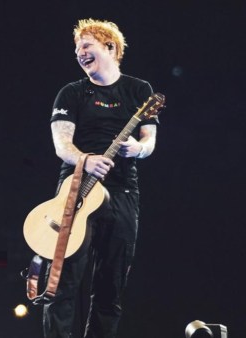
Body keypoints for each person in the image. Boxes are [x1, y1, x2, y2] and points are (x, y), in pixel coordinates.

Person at [43, 19, 159, 338]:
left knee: (111, 286)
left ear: (110, 47)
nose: (80, 53)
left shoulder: (139, 90)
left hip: (122, 189)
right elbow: (61, 144)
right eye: (77, 48)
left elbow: (149, 141)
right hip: (77, 187)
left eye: (86, 45)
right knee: (63, 283)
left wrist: (138, 148)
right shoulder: (71, 93)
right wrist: (86, 160)